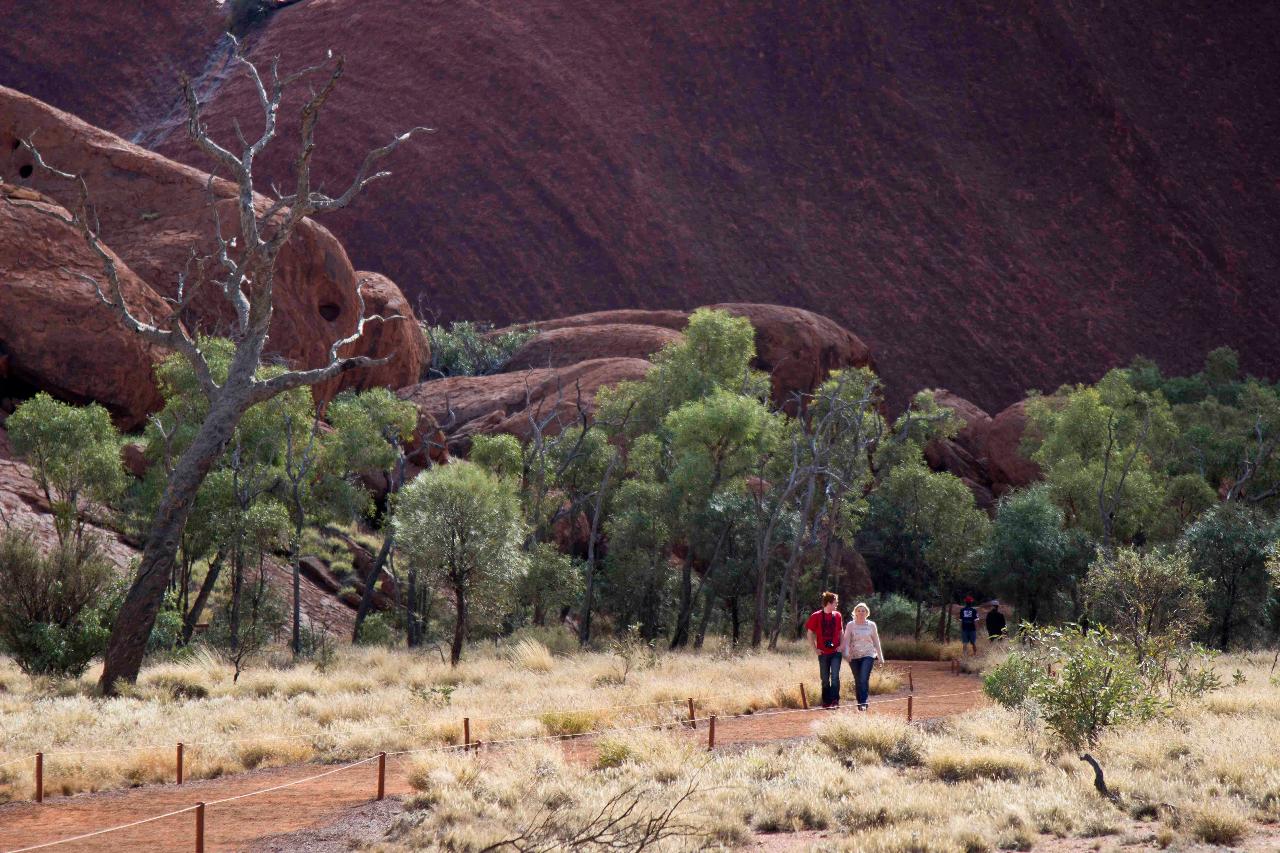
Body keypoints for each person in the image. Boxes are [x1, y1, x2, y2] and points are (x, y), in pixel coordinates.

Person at [840, 602, 884, 711]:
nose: (861, 612)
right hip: (853, 656)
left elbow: (876, 641)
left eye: (863, 610)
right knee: (858, 679)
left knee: (864, 678)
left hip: (868, 654)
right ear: (855, 612)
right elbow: (846, 641)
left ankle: (863, 702)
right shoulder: (850, 625)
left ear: (867, 613)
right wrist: (846, 654)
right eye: (858, 610)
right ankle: (860, 703)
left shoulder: (871, 625)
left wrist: (880, 656)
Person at [804, 591, 844, 708]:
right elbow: (809, 633)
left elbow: (841, 632)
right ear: (828, 603)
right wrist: (815, 649)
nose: (836, 605)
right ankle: (826, 702)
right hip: (823, 653)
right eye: (835, 603)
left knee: (835, 677)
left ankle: (835, 701)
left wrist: (841, 646)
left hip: (836, 652)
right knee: (825, 678)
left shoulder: (837, 615)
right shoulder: (816, 616)